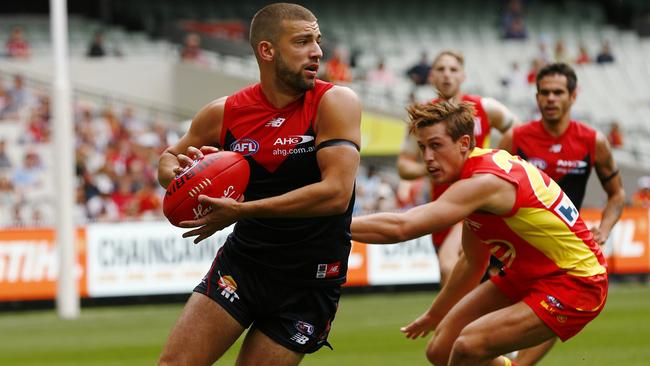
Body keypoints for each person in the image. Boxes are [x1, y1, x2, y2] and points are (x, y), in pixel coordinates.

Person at [156, 3, 361, 366]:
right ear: (267, 51)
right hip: (244, 265)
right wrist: (180, 173)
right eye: (302, 42)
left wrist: (240, 211)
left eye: (317, 40)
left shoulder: (335, 102)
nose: (317, 51)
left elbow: (336, 194)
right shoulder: (225, 112)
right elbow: (169, 159)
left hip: (309, 279)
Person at [352, 100, 609, 366]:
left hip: (577, 282)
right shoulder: (473, 178)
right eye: (422, 147)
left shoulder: (483, 182)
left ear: (464, 143)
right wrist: (435, 314)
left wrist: (332, 224)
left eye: (436, 146)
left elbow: (402, 227)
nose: (427, 157)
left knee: (467, 346)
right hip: (530, 274)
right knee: (440, 350)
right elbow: (473, 262)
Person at [498, 62, 625, 365]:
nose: (550, 99)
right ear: (536, 96)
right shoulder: (515, 139)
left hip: (564, 253)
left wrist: (604, 229)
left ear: (573, 96)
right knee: (478, 341)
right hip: (517, 251)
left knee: (549, 316)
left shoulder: (593, 141)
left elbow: (618, 194)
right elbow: (488, 191)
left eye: (558, 92)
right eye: (544, 93)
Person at [397, 49, 520, 285]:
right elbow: (403, 166)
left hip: (481, 204)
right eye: (440, 70)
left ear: (463, 76)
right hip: (443, 208)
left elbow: (520, 134)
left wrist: (500, 162)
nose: (447, 75)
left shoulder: (485, 107)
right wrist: (433, 167)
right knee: (460, 279)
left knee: (450, 268)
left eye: (453, 70)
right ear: (431, 76)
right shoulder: (422, 118)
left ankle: (451, 322)